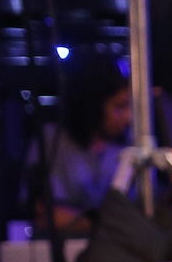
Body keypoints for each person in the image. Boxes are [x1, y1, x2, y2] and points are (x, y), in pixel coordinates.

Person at [33, 56, 132, 236]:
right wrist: (113, 225)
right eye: (119, 107)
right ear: (94, 104)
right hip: (65, 246)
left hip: (117, 247)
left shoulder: (127, 147)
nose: (128, 117)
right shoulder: (53, 141)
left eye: (129, 107)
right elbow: (46, 215)